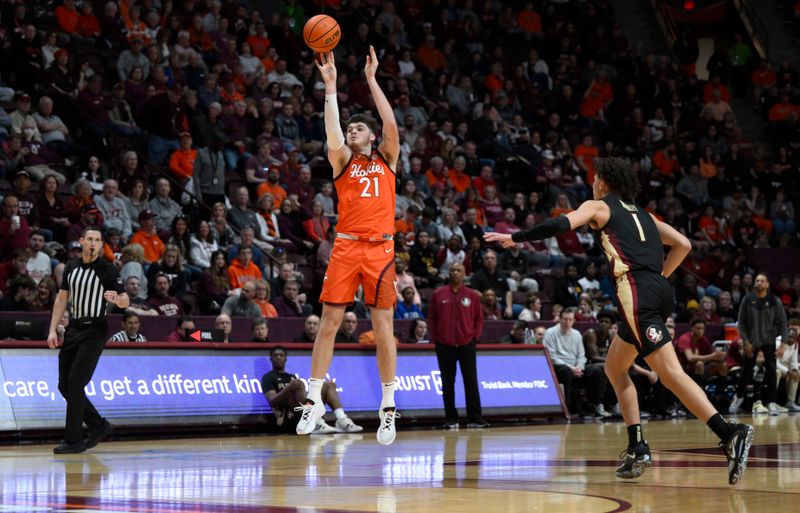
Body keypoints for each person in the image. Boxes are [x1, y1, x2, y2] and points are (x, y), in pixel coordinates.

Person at [485, 157, 754, 485]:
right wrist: (659, 276)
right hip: (657, 288)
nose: (593, 183)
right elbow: (683, 244)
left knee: (670, 373)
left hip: (636, 292)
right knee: (615, 368)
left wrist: (518, 237)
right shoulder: (643, 214)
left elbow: (560, 224)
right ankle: (637, 446)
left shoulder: (599, 207)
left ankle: (729, 432)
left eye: (595, 178)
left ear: (604, 181)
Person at [296, 47, 401, 445]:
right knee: (329, 324)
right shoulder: (343, 162)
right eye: (351, 129)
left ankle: (387, 406)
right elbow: (332, 131)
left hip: (380, 250)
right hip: (346, 247)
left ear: (372, 136)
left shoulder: (387, 158)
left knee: (383, 329)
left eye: (360, 129)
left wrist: (372, 79)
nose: (353, 133)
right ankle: (312, 400)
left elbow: (390, 123)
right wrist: (332, 88)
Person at [46, 227, 129, 453]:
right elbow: (62, 299)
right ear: (82, 241)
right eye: (89, 239)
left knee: (75, 383)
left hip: (95, 330)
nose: (93, 243)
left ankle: (74, 440)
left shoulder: (107, 269)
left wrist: (117, 299)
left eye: (97, 240)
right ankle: (99, 425)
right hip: (73, 328)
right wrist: (53, 329)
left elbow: (125, 299)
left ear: (102, 245)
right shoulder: (71, 267)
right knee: (64, 385)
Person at [427, 263, 489, 430]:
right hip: (444, 344)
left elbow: (479, 319)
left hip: (467, 343)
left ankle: (475, 418)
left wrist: (474, 337)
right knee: (447, 382)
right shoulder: (438, 294)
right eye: (452, 270)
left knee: (471, 381)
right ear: (448, 274)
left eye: (458, 271)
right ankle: (451, 419)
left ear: (464, 274)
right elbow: (431, 318)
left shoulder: (473, 296)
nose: (455, 273)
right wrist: (436, 339)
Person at [261, 346, 363, 434]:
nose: (278, 357)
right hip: (287, 418)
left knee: (326, 385)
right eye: (276, 355)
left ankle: (341, 419)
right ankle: (314, 422)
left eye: (281, 355)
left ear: (286, 358)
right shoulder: (268, 377)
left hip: (302, 413)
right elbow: (272, 401)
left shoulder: (291, 376)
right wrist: (289, 388)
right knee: (298, 385)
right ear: (271, 358)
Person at [728, 273, 789, 416]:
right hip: (751, 341)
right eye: (757, 281)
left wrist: (783, 344)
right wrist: (745, 341)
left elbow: (783, 323)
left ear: (767, 284)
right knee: (746, 370)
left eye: (762, 281)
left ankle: (771, 402)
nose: (759, 283)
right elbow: (741, 323)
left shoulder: (774, 301)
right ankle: (739, 397)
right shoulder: (748, 299)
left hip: (768, 340)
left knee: (771, 370)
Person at [543, 307, 611, 419]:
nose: (567, 322)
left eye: (570, 319)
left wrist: (579, 367)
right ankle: (568, 408)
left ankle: (594, 406)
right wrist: (571, 368)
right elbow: (551, 356)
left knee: (596, 369)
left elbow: (581, 356)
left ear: (574, 320)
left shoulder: (577, 334)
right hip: (559, 367)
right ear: (560, 319)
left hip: (576, 368)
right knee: (565, 371)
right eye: (565, 319)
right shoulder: (550, 333)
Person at [776, 324, 799, 412]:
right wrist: (787, 371)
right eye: (789, 337)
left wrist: (794, 370)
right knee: (777, 372)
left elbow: (794, 361)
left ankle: (790, 402)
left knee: (797, 373)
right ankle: (771, 402)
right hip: (772, 367)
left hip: (784, 367)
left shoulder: (795, 344)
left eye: (793, 338)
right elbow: (773, 362)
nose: (791, 340)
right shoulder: (778, 342)